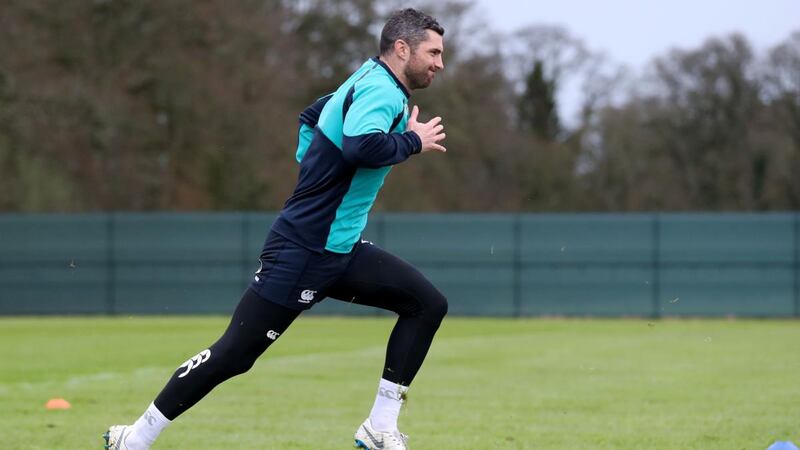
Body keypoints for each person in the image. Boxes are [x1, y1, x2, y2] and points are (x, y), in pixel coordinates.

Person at [103, 8, 447, 450]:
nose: (439, 63)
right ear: (402, 49)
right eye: (433, 52)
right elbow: (362, 146)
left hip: (338, 249)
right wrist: (412, 142)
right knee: (234, 354)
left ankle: (379, 427)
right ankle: (134, 439)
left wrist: (316, 172)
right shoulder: (380, 90)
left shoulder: (368, 80)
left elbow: (311, 116)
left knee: (426, 304)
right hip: (302, 251)